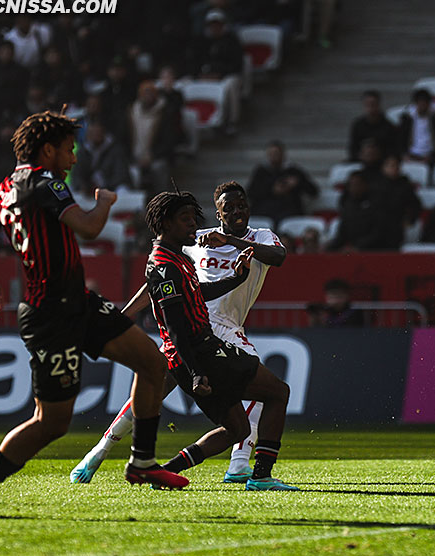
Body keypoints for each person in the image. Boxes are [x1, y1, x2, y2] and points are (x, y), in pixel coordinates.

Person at [0, 110, 187, 517]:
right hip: (50, 315)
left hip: (77, 303)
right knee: (52, 422)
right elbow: (90, 228)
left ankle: (141, 461)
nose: (73, 158)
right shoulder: (46, 183)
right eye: (68, 149)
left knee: (151, 362)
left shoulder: (2, 190)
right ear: (48, 150)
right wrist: (105, 204)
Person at [71, 182, 290, 486]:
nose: (238, 211)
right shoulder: (193, 240)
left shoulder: (259, 237)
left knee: (153, 395)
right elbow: (157, 282)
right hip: (200, 328)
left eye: (243, 206)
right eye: (231, 208)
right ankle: (241, 467)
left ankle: (103, 453)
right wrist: (124, 316)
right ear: (219, 212)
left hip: (216, 328)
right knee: (266, 393)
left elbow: (277, 256)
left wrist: (229, 242)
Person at [246, 140, 319, 225]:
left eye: (276, 153)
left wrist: (297, 183)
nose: (273, 156)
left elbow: (314, 191)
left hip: (289, 211)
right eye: (271, 153)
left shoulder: (294, 171)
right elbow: (250, 193)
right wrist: (272, 190)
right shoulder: (261, 172)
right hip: (265, 211)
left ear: (283, 154)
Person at [397, 88, 435, 165]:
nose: (422, 106)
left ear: (429, 104)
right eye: (419, 103)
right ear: (415, 103)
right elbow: (401, 139)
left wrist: (432, 156)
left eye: (425, 103)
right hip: (411, 155)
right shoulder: (407, 118)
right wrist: (404, 154)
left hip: (433, 156)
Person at [348, 90, 399, 162]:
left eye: (373, 104)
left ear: (378, 105)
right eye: (367, 104)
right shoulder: (358, 125)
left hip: (383, 163)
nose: (370, 108)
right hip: (361, 161)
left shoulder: (389, 126)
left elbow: (393, 149)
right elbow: (353, 147)